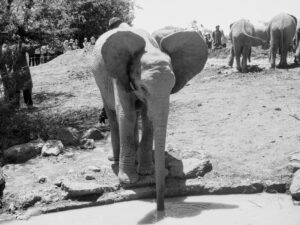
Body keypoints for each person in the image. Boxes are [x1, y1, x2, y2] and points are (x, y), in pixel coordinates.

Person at [10, 35, 36, 108]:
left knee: (16, 87)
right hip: (23, 69)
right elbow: (31, 52)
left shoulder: (11, 47)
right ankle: (29, 104)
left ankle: (16, 105)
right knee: (26, 86)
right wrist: (31, 44)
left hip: (15, 70)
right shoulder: (22, 46)